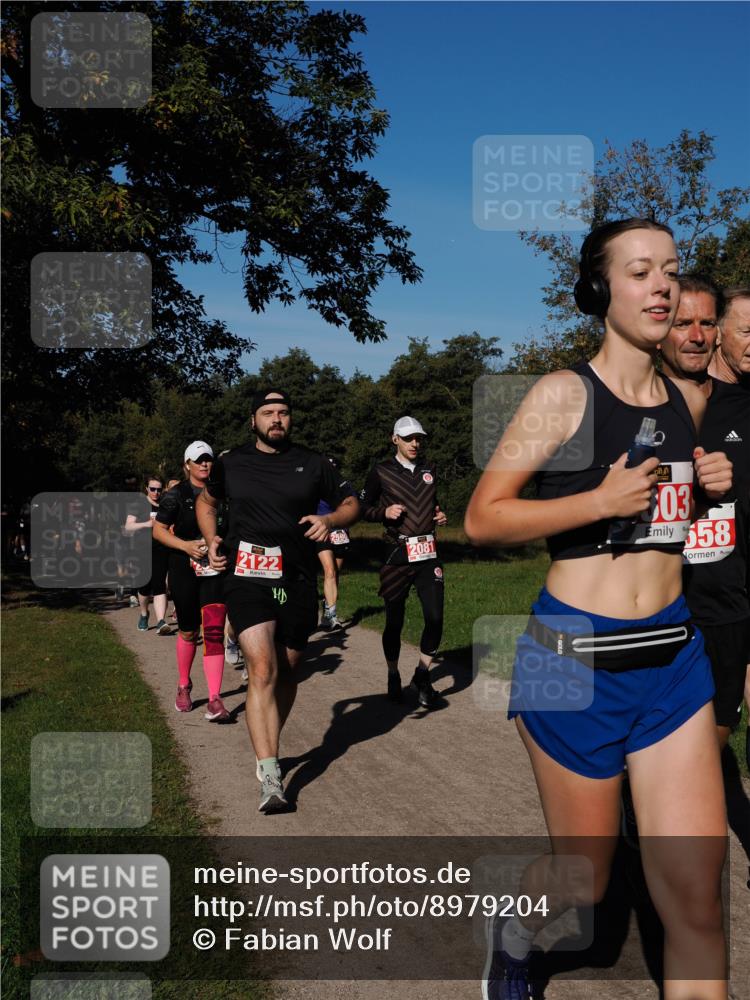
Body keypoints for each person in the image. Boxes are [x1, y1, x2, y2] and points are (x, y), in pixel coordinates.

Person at [465, 219, 732, 1000]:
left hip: (674, 666)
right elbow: (483, 519)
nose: (661, 287)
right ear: (599, 289)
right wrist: (597, 499)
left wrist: (710, 481)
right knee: (582, 882)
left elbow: (675, 520)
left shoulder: (691, 396)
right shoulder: (562, 393)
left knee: (696, 904)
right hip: (572, 665)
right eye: (641, 272)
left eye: (671, 273)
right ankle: (515, 936)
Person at [197, 390, 359, 813]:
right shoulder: (231, 463)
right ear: (253, 420)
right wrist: (213, 537)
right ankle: (270, 773)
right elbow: (206, 501)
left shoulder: (314, 462)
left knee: (287, 671)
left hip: (296, 578)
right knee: (262, 667)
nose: (276, 419)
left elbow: (352, 502)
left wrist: (329, 520)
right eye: (268, 413)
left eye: (283, 413)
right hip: (246, 575)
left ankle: (269, 740)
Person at [661, 279, 750, 749]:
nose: (696, 334)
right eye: (683, 323)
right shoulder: (635, 403)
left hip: (726, 608)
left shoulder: (742, 405)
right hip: (658, 606)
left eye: (706, 323)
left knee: (707, 746)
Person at [359, 417, 448, 706]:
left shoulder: (430, 469)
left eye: (418, 438)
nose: (415, 444)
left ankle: (422, 674)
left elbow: (432, 504)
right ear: (394, 439)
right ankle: (393, 672)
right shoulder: (381, 472)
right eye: (409, 438)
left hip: (428, 554)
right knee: (394, 622)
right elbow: (362, 508)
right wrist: (383, 514)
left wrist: (439, 515)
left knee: (435, 617)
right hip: (396, 555)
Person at [152, 442, 230, 723]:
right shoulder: (175, 496)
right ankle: (184, 685)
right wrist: (186, 546)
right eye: (198, 461)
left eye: (208, 459)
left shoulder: (223, 492)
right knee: (188, 631)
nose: (205, 465)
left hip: (215, 569)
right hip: (183, 567)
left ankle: (214, 698)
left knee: (213, 630)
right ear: (187, 465)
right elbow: (159, 531)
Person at [125, 476, 170, 633]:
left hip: (161, 549)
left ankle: (161, 621)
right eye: (152, 489)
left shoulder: (165, 505)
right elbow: (128, 526)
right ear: (146, 488)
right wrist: (147, 524)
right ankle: (144, 614)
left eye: (159, 489)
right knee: (144, 587)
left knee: (160, 585)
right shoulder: (138, 504)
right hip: (141, 550)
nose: (156, 492)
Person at [317, 456, 357, 630]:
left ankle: (327, 610)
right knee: (330, 571)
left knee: (336, 573)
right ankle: (332, 616)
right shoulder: (314, 485)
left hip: (341, 532)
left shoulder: (344, 486)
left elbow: (354, 505)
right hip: (322, 531)